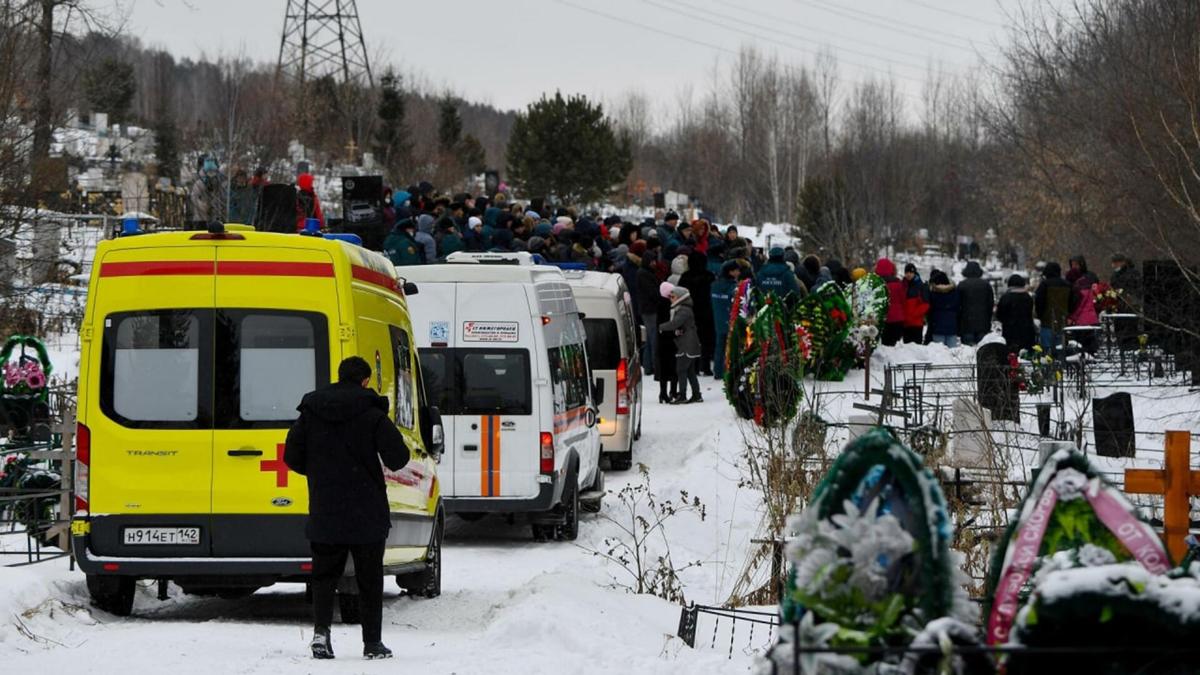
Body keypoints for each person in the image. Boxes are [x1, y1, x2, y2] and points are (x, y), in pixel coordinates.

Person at [284, 356, 410, 661]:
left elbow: (291, 456)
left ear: (339, 377)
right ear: (365, 381)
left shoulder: (311, 411)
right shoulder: (371, 413)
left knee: (325, 576)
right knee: (369, 578)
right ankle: (372, 643)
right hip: (366, 509)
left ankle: (321, 635)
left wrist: (319, 472)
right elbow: (399, 457)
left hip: (326, 507)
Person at [659, 285, 702, 404]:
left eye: (673, 296)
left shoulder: (683, 310)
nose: (670, 298)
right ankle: (696, 394)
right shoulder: (683, 309)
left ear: (680, 298)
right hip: (689, 343)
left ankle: (682, 395)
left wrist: (660, 327)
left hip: (687, 345)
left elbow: (675, 323)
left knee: (681, 369)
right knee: (690, 371)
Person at [679, 250, 716, 376]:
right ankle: (705, 366)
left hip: (689, 312)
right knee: (706, 341)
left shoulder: (685, 277)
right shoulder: (709, 276)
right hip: (706, 312)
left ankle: (693, 367)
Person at [1034, 261, 1079, 351]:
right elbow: (1073, 302)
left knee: (1047, 350)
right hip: (1063, 321)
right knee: (1061, 349)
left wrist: (1040, 315)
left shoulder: (1044, 285)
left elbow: (1039, 301)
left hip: (1047, 322)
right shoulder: (1067, 285)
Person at [710, 260, 741, 379]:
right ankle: (730, 371)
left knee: (719, 346)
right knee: (732, 347)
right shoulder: (734, 287)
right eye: (737, 270)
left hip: (718, 319)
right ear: (731, 272)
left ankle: (718, 371)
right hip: (731, 320)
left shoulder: (714, 285)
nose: (739, 272)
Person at [957, 260, 994, 346]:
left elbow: (958, 304)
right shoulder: (986, 285)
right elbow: (990, 304)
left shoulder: (962, 285)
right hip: (983, 322)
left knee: (967, 351)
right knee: (982, 347)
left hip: (966, 322)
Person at [637, 251, 662, 376]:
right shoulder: (644, 274)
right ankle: (653, 365)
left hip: (647, 309)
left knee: (650, 338)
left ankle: (648, 365)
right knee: (653, 338)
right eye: (652, 261)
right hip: (650, 309)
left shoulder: (645, 273)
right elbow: (652, 292)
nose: (654, 263)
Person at [996, 274, 1036, 352]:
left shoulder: (1006, 297)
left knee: (1012, 355)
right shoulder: (1027, 297)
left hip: (1010, 332)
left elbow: (999, 315)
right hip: (1027, 331)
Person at [876, 258, 906, 346]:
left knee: (883, 346)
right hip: (897, 319)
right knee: (895, 348)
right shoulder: (898, 284)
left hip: (882, 319)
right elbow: (903, 301)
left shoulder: (876, 284)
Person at [927, 270, 961, 347]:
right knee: (952, 354)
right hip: (952, 327)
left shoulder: (933, 294)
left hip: (937, 327)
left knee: (939, 354)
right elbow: (958, 309)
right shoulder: (955, 293)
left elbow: (929, 310)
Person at [902, 263, 930, 344]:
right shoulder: (903, 285)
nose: (908, 274)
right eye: (907, 272)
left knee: (916, 350)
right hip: (905, 324)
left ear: (914, 273)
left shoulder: (921, 286)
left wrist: (913, 314)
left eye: (911, 272)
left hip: (916, 324)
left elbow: (926, 304)